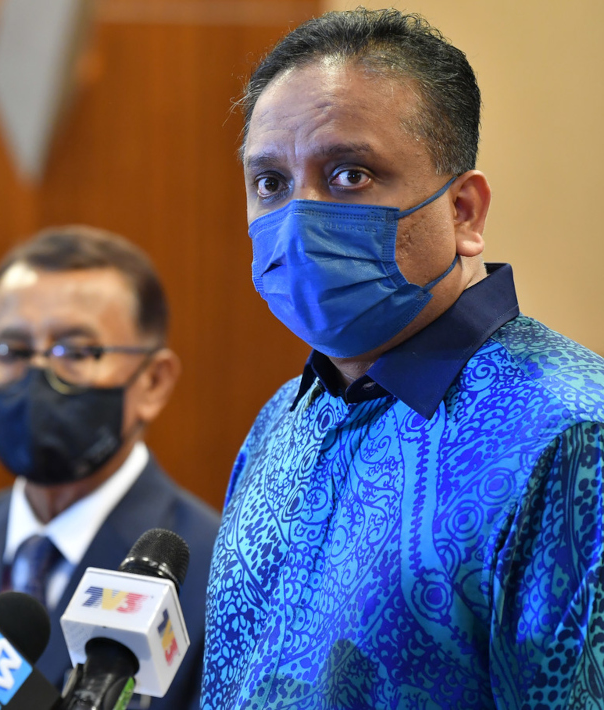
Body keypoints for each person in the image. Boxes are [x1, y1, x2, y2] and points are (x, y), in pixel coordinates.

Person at [204, 8, 604, 709]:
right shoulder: (280, 422)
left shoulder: (569, 435)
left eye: (350, 174)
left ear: (464, 212)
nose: (298, 218)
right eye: (270, 182)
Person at [0, 225, 220, 709]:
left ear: (154, 382)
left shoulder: (217, 578)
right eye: (11, 351)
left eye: (75, 352)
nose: (37, 376)